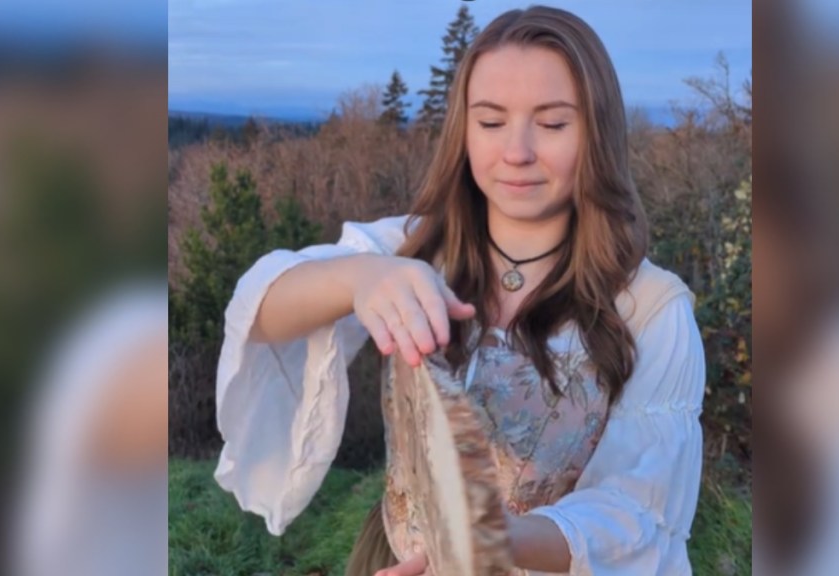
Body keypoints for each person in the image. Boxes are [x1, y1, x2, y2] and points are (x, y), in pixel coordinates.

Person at [214, 6, 706, 575]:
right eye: (491, 122)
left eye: (551, 124)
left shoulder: (652, 308)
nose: (516, 151)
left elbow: (639, 512)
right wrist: (360, 279)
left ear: (596, 132)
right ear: (464, 129)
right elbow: (261, 310)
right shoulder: (412, 245)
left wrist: (494, 538)